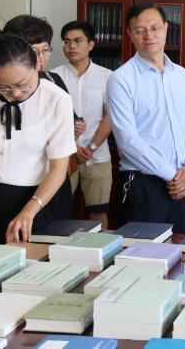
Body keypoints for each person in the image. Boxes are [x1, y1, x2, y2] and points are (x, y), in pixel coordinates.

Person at [0, 31, 76, 245]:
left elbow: (59, 168)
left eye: (22, 83)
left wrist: (29, 211)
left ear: (37, 65)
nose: (15, 93)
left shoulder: (57, 99)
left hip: (34, 199)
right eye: (2, 86)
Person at [107, 3, 185, 234]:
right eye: (140, 30)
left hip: (184, 182)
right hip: (144, 186)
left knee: (181, 250)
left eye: (154, 28)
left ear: (166, 28)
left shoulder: (182, 75)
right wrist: (172, 176)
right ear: (130, 34)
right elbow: (128, 141)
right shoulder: (121, 79)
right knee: (141, 252)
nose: (148, 35)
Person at [4, 14, 80, 220]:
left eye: (45, 50)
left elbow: (70, 125)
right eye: (33, 51)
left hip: (49, 182)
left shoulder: (53, 82)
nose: (40, 58)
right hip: (7, 187)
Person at [51, 20, 113, 229]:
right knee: (59, 212)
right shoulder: (53, 77)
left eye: (78, 41)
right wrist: (72, 146)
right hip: (63, 156)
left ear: (91, 44)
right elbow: (48, 119)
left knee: (98, 212)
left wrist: (91, 147)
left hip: (97, 155)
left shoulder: (107, 76)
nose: (72, 46)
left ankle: (100, 249)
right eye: (67, 42)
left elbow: (111, 117)